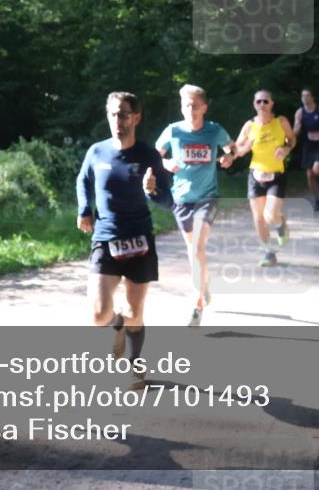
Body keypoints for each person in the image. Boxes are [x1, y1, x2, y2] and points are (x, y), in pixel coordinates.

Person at [77, 92, 173, 389]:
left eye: (123, 114)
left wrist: (153, 190)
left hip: (139, 239)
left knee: (135, 313)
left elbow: (168, 201)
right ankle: (115, 325)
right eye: (113, 114)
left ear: (136, 118)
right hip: (106, 237)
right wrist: (84, 209)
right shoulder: (97, 151)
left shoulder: (148, 156)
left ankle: (135, 364)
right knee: (98, 315)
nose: (117, 121)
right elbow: (83, 180)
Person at [155, 84, 235, 326]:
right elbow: (155, 154)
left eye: (195, 106)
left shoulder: (214, 130)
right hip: (181, 199)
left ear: (204, 108)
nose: (190, 110)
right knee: (194, 250)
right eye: (186, 106)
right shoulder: (173, 131)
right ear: (182, 107)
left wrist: (229, 156)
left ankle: (197, 304)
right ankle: (204, 288)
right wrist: (166, 164)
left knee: (197, 248)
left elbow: (231, 147)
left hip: (207, 197)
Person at [234, 89, 296, 267]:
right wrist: (243, 149)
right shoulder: (249, 126)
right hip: (256, 176)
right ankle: (269, 253)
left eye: (266, 101)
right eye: (258, 101)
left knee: (270, 215)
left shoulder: (281, 121)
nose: (262, 104)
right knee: (259, 218)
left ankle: (280, 224)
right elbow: (236, 148)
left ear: (271, 104)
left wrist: (286, 149)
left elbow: (292, 139)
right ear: (254, 104)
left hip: (276, 175)